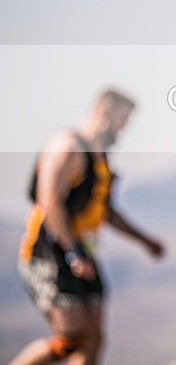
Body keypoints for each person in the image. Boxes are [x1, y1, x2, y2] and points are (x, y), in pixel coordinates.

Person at [11, 89, 164, 365]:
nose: (125, 128)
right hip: (50, 253)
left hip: (84, 251)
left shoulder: (100, 158)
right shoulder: (68, 147)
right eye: (123, 120)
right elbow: (50, 201)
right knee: (72, 340)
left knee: (94, 339)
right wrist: (73, 252)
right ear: (104, 113)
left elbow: (105, 210)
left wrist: (145, 240)